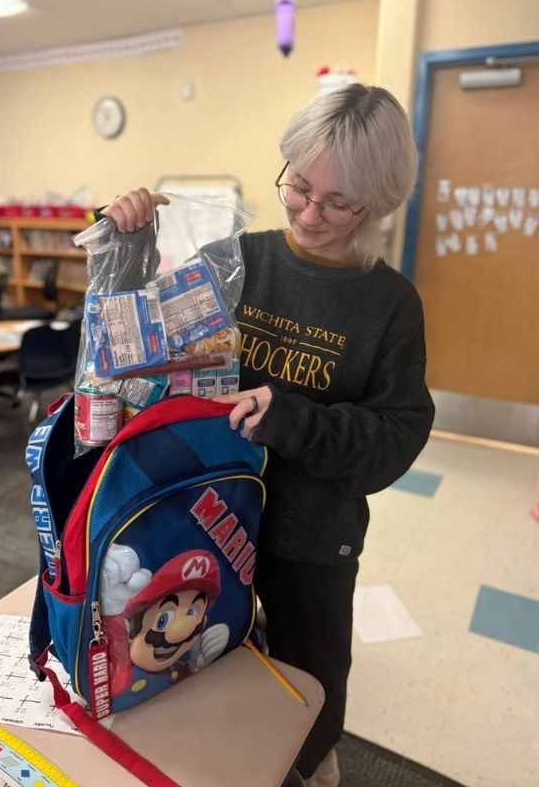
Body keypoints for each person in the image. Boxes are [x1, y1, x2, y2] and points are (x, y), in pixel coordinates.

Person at [103, 83, 435, 787]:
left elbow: (395, 440)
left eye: (339, 201)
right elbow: (146, 361)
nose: (311, 212)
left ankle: (313, 768)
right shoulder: (239, 259)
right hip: (207, 516)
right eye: (300, 186)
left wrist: (289, 417)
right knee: (201, 668)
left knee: (309, 685)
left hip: (312, 535)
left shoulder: (390, 305)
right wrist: (126, 256)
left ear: (379, 200)